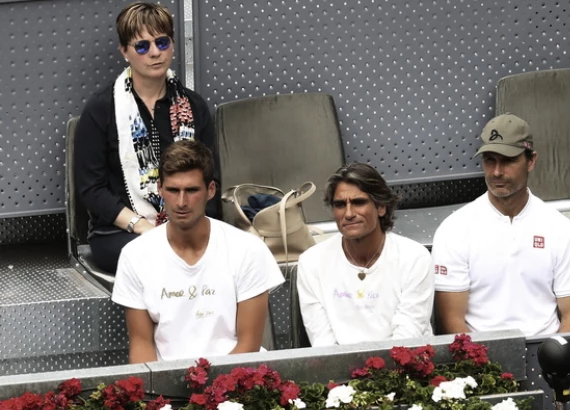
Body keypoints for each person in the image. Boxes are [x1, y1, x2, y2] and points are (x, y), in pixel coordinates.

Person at [74, 2, 220, 273]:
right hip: (122, 232)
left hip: (189, 225)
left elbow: (211, 180)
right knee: (163, 257)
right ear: (124, 51)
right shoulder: (102, 109)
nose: (155, 52)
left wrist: (188, 226)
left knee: (227, 253)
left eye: (162, 42)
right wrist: (142, 226)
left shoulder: (194, 106)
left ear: (172, 45)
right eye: (142, 46)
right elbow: (91, 189)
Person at [111, 140, 284, 362]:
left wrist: (209, 383)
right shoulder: (135, 255)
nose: (181, 202)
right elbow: (141, 346)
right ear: (160, 188)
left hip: (237, 377)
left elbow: (248, 345)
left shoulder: (248, 250)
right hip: (167, 381)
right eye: (173, 190)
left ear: (210, 190)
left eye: (191, 190)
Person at [432, 114, 570, 337]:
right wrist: (482, 358)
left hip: (546, 351)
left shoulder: (561, 229)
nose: (497, 171)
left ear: (531, 161)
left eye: (508, 161)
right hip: (480, 353)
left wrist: (553, 354)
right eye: (490, 160)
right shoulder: (453, 230)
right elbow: (450, 321)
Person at [297, 163, 434, 346]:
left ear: (381, 207)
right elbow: (322, 340)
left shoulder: (414, 257)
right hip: (338, 363)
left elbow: (408, 335)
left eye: (358, 202)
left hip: (404, 360)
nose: (348, 213)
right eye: (339, 205)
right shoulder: (311, 262)